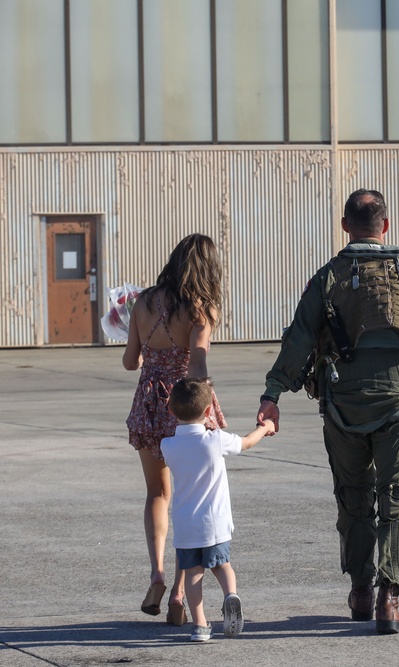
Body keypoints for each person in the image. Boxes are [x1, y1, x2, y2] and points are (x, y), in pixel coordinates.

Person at [256, 188, 399, 635]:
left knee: (353, 495)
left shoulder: (328, 276)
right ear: (385, 227)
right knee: (397, 496)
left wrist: (272, 395)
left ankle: (361, 591)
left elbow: (298, 337)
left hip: (343, 404)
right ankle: (389, 600)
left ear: (346, 226)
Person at [123, 233, 226, 626]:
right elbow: (197, 367)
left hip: (148, 404)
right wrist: (206, 407)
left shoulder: (144, 302)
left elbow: (130, 362)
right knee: (190, 497)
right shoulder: (201, 308)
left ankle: (157, 576)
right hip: (185, 406)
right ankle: (180, 596)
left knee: (157, 493)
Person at [160, 378, 275, 642]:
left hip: (186, 524)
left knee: (192, 574)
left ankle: (200, 626)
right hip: (215, 522)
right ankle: (230, 596)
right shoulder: (215, 440)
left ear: (170, 410)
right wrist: (264, 427)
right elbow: (246, 443)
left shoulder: (168, 446)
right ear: (209, 411)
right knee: (222, 565)